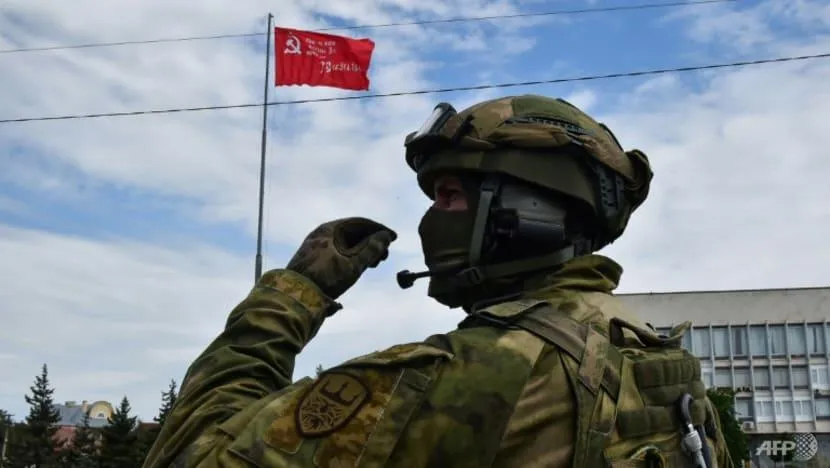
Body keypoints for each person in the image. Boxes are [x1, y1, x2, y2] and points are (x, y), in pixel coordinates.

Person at [143, 95, 733, 468]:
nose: (429, 219)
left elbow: (192, 454)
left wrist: (293, 294)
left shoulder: (468, 373)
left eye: (450, 195)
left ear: (526, 211)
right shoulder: (652, 359)